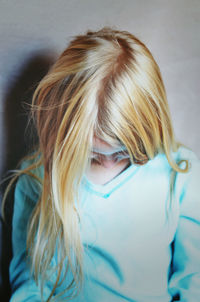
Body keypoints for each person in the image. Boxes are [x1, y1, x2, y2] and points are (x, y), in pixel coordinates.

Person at [4, 27, 200, 302]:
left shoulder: (179, 174)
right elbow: (30, 287)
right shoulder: (37, 178)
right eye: (92, 155)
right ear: (61, 130)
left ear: (151, 125)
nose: (107, 163)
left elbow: (194, 282)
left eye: (123, 153)